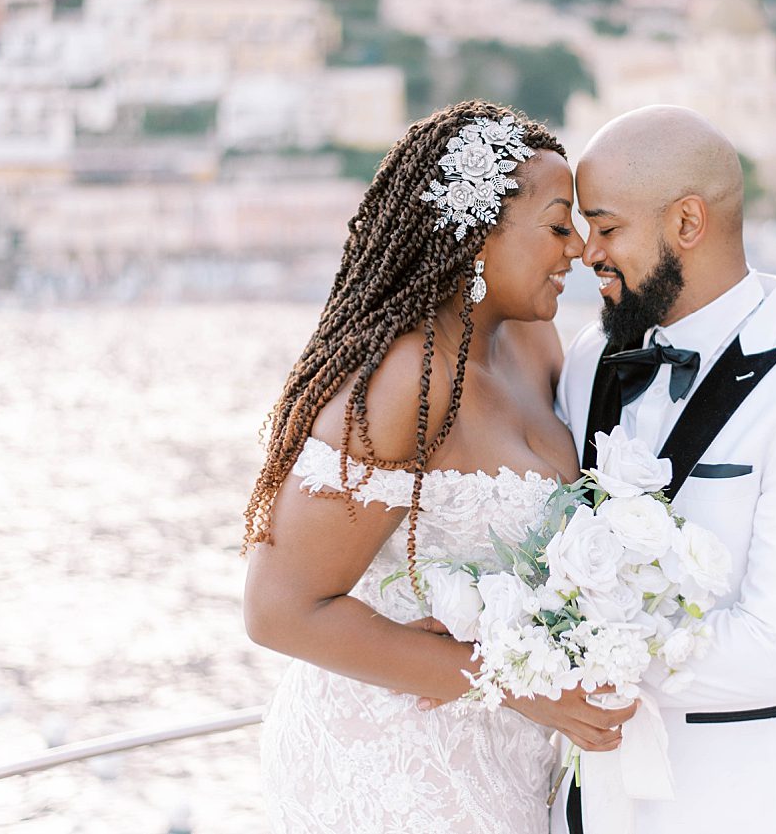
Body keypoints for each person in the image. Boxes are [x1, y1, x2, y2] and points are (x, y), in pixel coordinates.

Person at [242, 101, 636, 834]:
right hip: (391, 760)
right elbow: (277, 608)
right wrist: (516, 683)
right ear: (479, 234)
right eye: (557, 224)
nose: (579, 248)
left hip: (514, 756)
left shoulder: (536, 348)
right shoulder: (399, 384)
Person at [553, 105, 776, 834]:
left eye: (606, 227)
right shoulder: (586, 360)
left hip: (757, 807)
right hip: (593, 806)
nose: (588, 252)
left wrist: (561, 651)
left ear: (686, 222)